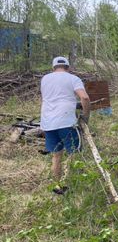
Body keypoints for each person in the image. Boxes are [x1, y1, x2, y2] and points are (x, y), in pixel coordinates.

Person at [40, 56, 90, 194]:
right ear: (68, 68)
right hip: (67, 122)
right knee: (73, 153)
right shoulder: (73, 78)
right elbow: (84, 97)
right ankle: (67, 182)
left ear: (53, 68)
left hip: (48, 122)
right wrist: (86, 116)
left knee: (56, 156)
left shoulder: (45, 79)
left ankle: (57, 185)